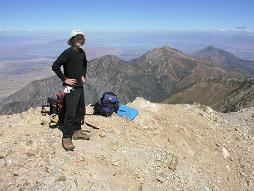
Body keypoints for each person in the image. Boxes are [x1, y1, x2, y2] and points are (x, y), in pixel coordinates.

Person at [52, 29, 90, 151]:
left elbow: (85, 64)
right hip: (70, 87)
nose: (80, 40)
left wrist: (84, 75)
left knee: (80, 109)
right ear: (72, 40)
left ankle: (77, 131)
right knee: (70, 111)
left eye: (81, 38)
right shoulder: (67, 52)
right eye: (77, 38)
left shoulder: (81, 52)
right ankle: (67, 136)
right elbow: (55, 66)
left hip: (79, 86)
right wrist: (65, 79)